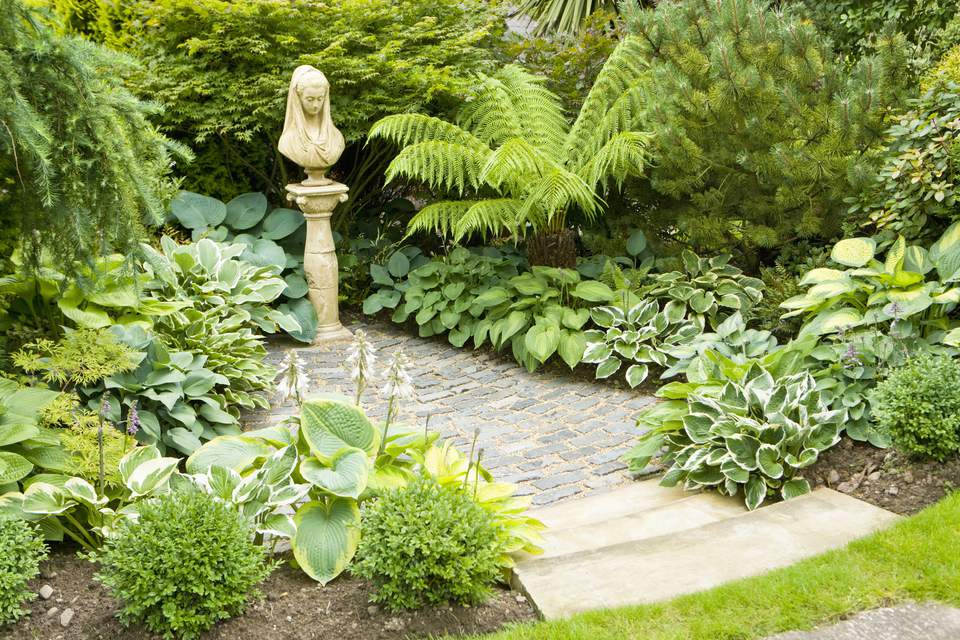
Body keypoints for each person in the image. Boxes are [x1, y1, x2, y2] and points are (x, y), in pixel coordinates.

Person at [278, 65, 345, 185]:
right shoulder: (288, 140)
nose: (315, 105)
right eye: (310, 99)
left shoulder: (336, 138)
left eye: (320, 99)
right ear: (298, 98)